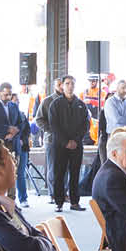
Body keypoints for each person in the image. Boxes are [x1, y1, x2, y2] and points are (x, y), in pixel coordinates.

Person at [42, 75, 91, 210]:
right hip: (60, 145)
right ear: (62, 86)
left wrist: (75, 140)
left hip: (76, 145)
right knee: (59, 173)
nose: (70, 86)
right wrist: (65, 142)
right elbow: (54, 125)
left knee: (75, 173)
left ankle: (75, 202)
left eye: (72, 84)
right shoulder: (55, 104)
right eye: (67, 83)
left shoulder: (81, 104)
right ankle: (59, 202)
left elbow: (85, 125)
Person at [0, 82, 31, 202]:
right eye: (5, 95)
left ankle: (12, 201)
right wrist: (8, 130)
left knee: (13, 173)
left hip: (14, 144)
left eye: (10, 94)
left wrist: (14, 132)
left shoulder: (14, 106)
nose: (8, 97)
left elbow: (21, 123)